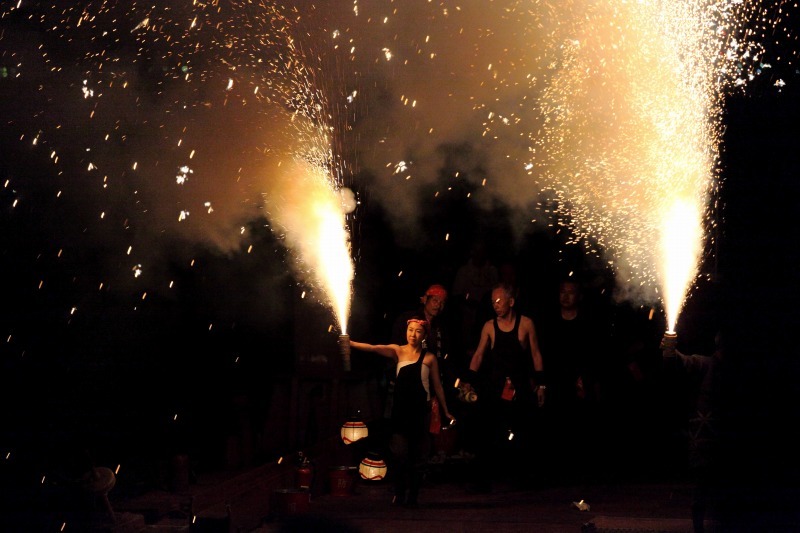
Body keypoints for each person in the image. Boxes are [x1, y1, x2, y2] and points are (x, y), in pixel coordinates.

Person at [347, 318, 454, 507]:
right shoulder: (398, 351)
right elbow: (373, 348)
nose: (413, 334)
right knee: (399, 453)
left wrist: (446, 411)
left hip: (421, 412)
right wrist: (351, 343)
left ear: (424, 335)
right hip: (401, 412)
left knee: (419, 457)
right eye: (410, 330)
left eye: (418, 331)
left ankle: (413, 495)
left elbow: (437, 385)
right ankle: (399, 491)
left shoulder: (429, 358)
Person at [461, 283, 545, 491]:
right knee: (488, 433)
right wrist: (469, 380)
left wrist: (541, 384)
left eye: (499, 301)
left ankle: (527, 478)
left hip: (521, 386)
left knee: (524, 432)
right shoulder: (489, 326)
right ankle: (483, 480)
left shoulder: (526, 324)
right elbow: (479, 354)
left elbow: (535, 354)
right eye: (492, 302)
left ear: (511, 302)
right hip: (495, 386)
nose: (495, 305)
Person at [538, 278, 608, 483]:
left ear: (579, 296)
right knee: (556, 425)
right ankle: (557, 470)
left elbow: (593, 352)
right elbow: (543, 351)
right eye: (562, 292)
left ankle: (582, 470)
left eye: (570, 292)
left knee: (581, 424)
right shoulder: (550, 321)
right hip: (555, 381)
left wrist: (587, 379)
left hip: (580, 381)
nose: (565, 296)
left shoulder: (586, 322)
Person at [660, 331, 725, 533]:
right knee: (701, 489)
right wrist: (670, 349)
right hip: (705, 440)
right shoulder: (705, 364)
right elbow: (678, 362)